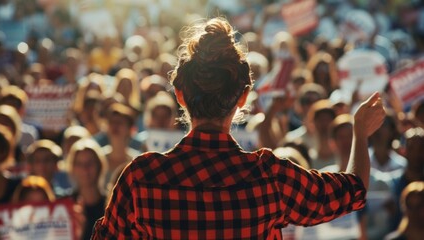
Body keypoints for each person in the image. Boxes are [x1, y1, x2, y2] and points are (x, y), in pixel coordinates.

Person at [92, 17, 386, 239]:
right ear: (244, 96)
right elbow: (354, 190)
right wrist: (360, 132)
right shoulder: (269, 177)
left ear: (179, 94)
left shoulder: (142, 177)